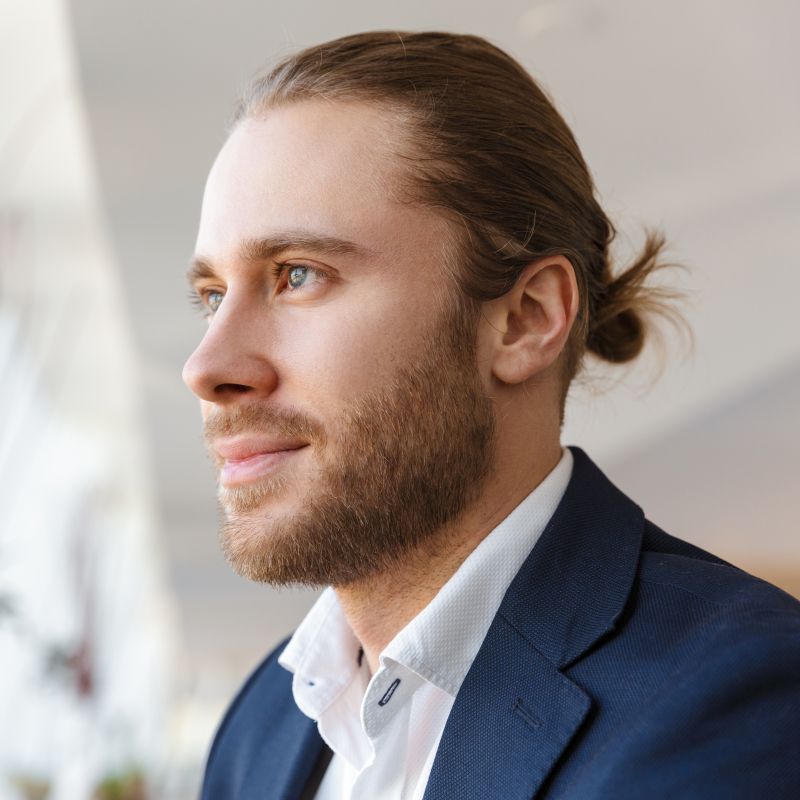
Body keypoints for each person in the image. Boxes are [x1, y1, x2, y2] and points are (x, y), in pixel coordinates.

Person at [182, 31, 800, 800]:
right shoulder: (261, 726)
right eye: (213, 296)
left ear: (525, 319)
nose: (206, 366)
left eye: (298, 274)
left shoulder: (734, 701)